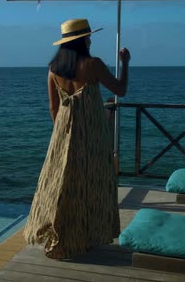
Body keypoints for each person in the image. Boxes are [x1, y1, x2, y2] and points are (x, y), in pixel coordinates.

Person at [24, 18, 130, 259]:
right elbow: (120, 90)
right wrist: (125, 63)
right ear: (81, 40)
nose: (91, 39)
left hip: (62, 134)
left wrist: (61, 134)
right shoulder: (93, 65)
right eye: (88, 36)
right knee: (90, 185)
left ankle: (59, 239)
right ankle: (84, 236)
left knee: (62, 187)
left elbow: (53, 107)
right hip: (91, 136)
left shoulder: (53, 68)